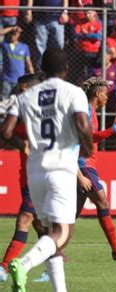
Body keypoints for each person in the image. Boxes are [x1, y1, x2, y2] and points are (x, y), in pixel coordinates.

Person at [0, 48, 93, 292]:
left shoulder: (25, 96)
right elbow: (83, 125)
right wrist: (89, 145)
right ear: (66, 69)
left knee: (49, 235)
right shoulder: (74, 92)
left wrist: (23, 145)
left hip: (34, 172)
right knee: (63, 233)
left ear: (42, 68)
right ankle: (23, 263)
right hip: (61, 168)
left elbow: (6, 132)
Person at [75, 77, 116, 261]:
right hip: (83, 165)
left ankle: (52, 249)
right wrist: (114, 129)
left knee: (70, 215)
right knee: (102, 203)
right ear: (97, 94)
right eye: (105, 94)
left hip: (87, 164)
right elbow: (90, 137)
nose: (107, 98)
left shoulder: (91, 111)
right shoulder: (86, 111)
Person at [0, 74, 46, 283]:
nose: (19, 93)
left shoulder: (47, 113)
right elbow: (6, 133)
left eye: (23, 89)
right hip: (26, 175)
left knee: (25, 219)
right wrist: (21, 144)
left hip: (42, 174)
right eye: (18, 89)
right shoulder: (22, 110)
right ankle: (53, 263)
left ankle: (3, 269)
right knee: (40, 225)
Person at [1, 27, 34, 101]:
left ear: (19, 35)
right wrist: (11, 28)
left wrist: (32, 76)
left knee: (19, 101)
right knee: (4, 101)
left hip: (20, 81)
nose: (12, 36)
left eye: (15, 34)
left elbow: (29, 63)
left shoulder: (24, 47)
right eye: (11, 34)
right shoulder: (5, 45)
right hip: (7, 79)